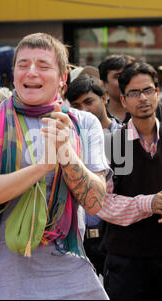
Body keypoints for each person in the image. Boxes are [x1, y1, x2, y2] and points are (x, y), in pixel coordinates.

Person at [0, 33, 109, 300]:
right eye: (23, 64)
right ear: (14, 73)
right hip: (0, 277)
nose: (31, 72)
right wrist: (42, 167)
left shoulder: (84, 124)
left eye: (43, 65)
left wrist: (67, 155)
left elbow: (96, 202)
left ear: (62, 78)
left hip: (68, 274)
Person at [96, 62, 162, 300]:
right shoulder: (112, 144)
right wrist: (149, 204)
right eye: (134, 93)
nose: (142, 98)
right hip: (126, 260)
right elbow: (103, 203)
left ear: (157, 93)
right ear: (123, 100)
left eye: (148, 90)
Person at [65, 74, 120, 277]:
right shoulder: (66, 140)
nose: (84, 110)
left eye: (89, 102)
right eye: (77, 106)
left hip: (113, 237)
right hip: (78, 238)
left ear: (104, 97)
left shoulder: (123, 135)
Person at [98, 54, 162, 125]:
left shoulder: (152, 108)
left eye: (128, 76)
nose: (124, 80)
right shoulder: (98, 114)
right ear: (104, 84)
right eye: (118, 76)